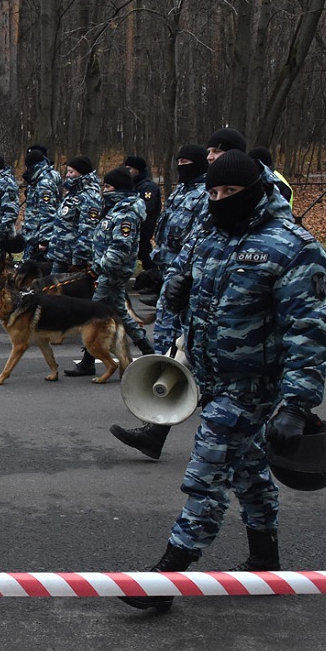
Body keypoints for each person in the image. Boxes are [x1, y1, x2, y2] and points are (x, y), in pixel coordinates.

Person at [121, 150, 326, 612]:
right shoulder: (208, 236)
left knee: (207, 472)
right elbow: (176, 287)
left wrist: (297, 404)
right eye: (214, 191)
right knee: (248, 471)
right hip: (207, 379)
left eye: (231, 192)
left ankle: (167, 576)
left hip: (254, 387)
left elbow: (310, 333)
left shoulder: (293, 247)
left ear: (255, 189)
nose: (220, 199)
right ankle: (265, 559)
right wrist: (170, 321)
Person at [109, 144, 210, 459]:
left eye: (187, 161)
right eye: (178, 160)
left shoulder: (208, 196)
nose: (182, 166)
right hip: (176, 281)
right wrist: (157, 265)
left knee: (191, 359)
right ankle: (156, 430)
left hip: (203, 295)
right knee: (178, 353)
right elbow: (173, 234)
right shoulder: (183, 191)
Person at [64, 167, 150, 377]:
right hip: (107, 271)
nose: (104, 191)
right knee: (119, 311)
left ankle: (88, 361)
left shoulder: (125, 214)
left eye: (108, 187)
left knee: (94, 313)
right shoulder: (115, 209)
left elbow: (119, 249)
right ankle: (147, 349)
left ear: (119, 188)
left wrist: (98, 270)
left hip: (112, 273)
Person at [59, 156, 104, 272]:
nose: (68, 175)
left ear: (81, 173)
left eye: (71, 172)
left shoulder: (89, 197)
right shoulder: (73, 193)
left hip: (74, 258)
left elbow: (88, 230)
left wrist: (80, 259)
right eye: (67, 171)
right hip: (62, 254)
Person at [20, 148, 61, 265]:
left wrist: (44, 240)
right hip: (34, 234)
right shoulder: (36, 181)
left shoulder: (43, 184)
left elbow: (47, 213)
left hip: (38, 237)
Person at [124, 155, 162, 272]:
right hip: (131, 227)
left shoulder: (147, 187)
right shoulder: (130, 185)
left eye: (130, 168)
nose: (127, 171)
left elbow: (146, 210)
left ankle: (153, 276)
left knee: (144, 253)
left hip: (143, 228)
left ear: (137, 170)